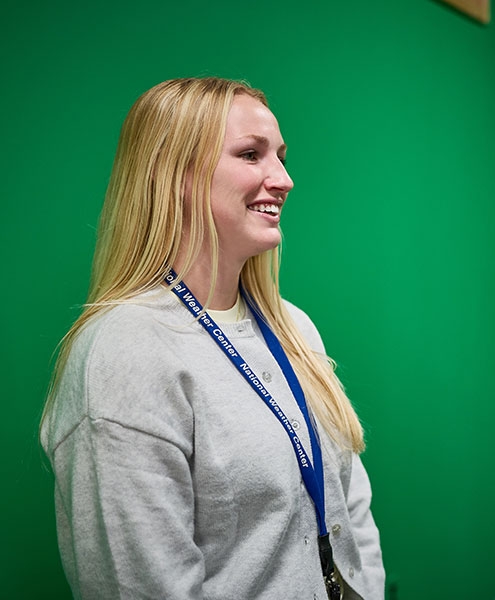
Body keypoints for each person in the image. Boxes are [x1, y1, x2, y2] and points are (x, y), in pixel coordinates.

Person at [40, 77, 384, 600]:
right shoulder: (124, 353)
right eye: (251, 155)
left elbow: (347, 502)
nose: (284, 179)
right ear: (175, 174)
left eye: (281, 156)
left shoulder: (292, 326)